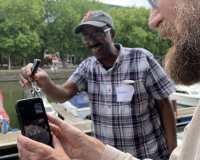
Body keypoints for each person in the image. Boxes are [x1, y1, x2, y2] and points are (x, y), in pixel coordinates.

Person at [18, 10, 178, 159]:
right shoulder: (87, 67)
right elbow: (63, 94)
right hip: (106, 156)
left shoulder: (142, 58)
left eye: (98, 33)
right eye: (86, 37)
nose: (92, 41)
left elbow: (164, 105)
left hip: (148, 155)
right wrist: (45, 82)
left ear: (112, 34)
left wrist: (173, 153)